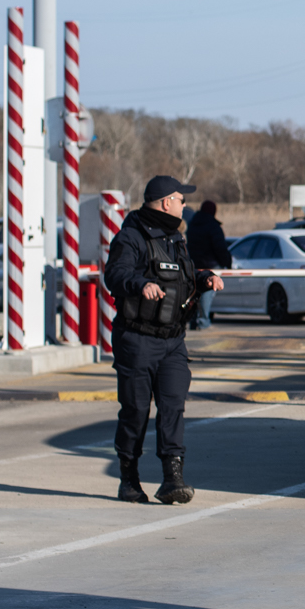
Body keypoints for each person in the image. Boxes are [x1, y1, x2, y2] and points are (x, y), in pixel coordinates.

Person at [105, 175, 225, 507]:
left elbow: (181, 278)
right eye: (181, 200)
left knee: (173, 408)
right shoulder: (131, 236)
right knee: (135, 412)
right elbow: (114, 274)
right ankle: (129, 479)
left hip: (173, 341)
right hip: (138, 339)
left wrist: (203, 279)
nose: (186, 206)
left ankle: (173, 479)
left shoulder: (176, 239)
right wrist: (138, 283)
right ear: (165, 202)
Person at [185, 200, 232, 330]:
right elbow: (220, 247)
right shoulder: (213, 227)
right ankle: (203, 321)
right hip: (210, 264)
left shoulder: (192, 224)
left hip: (194, 263)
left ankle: (195, 319)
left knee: (195, 291)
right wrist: (226, 262)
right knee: (207, 291)